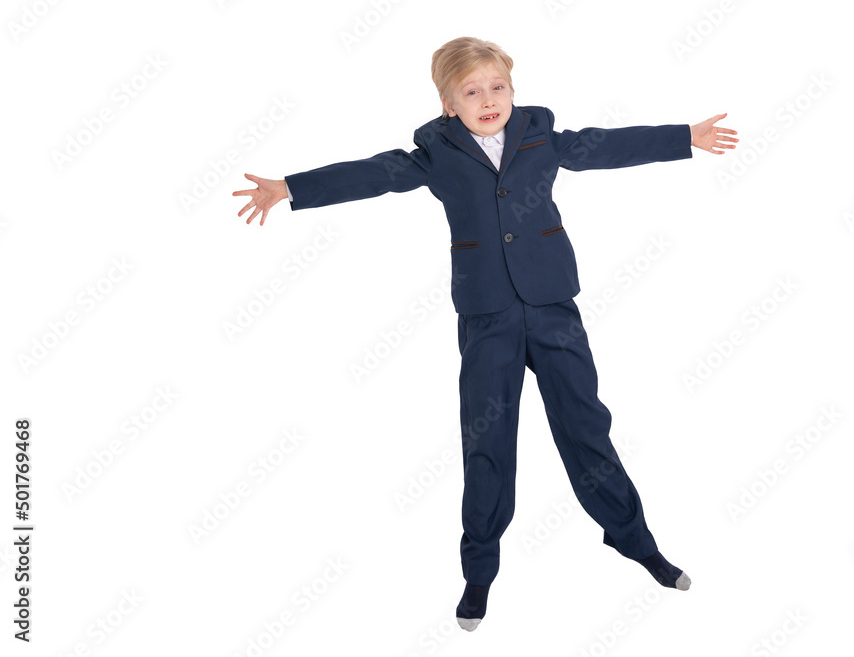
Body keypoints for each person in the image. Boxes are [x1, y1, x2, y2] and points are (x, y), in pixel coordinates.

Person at [233, 36, 737, 632]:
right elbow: (372, 174)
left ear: (513, 91)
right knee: (488, 443)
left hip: (552, 306)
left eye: (497, 86)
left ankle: (633, 540)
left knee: (586, 427)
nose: (487, 98)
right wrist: (290, 188)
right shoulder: (437, 152)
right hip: (487, 316)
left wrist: (685, 137)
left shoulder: (540, 134)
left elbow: (604, 147)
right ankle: (480, 572)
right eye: (471, 91)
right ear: (449, 104)